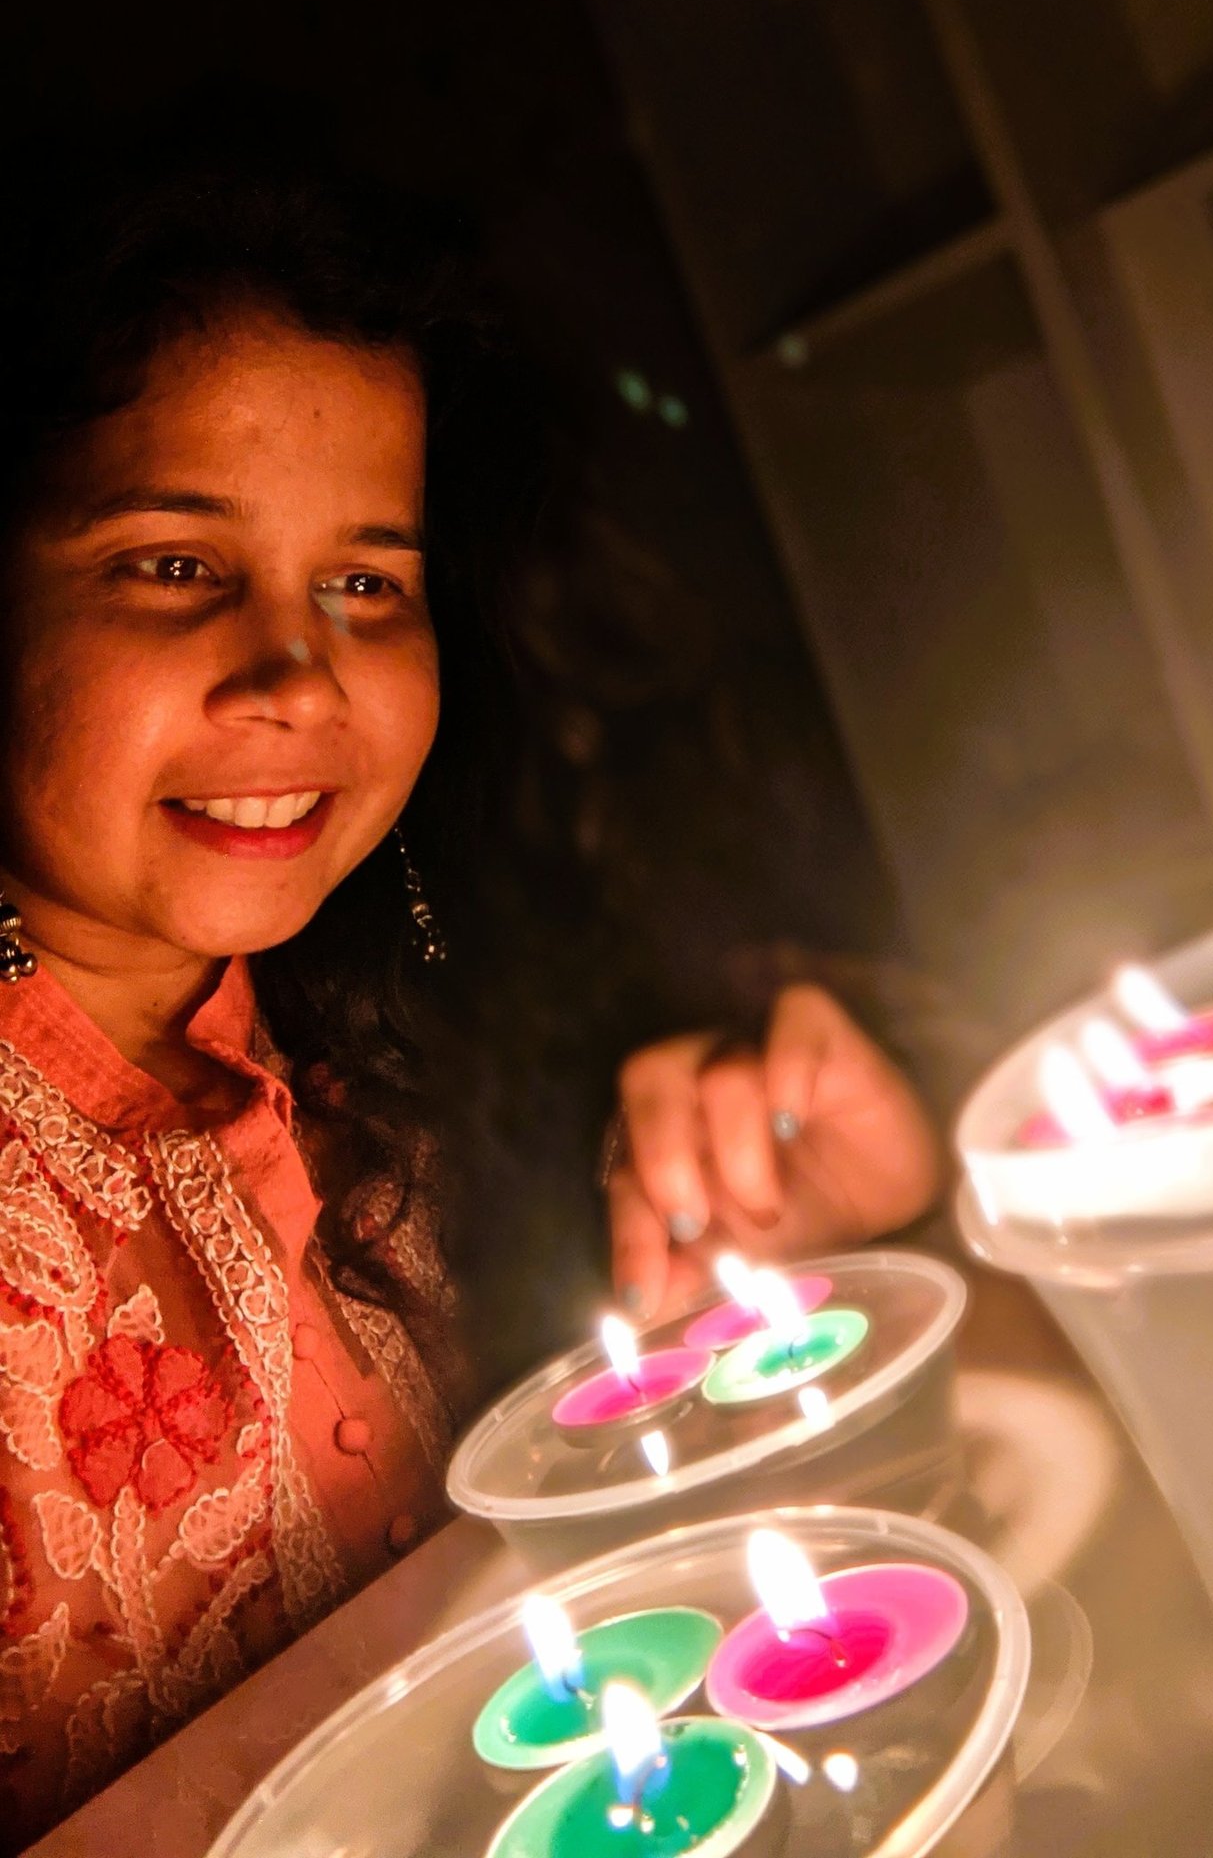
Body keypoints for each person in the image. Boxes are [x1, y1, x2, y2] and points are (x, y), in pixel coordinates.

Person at [0, 130, 940, 1847]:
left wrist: (774, 1283)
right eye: (174, 565)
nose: (299, 677)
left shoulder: (409, 1047)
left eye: (368, 583)